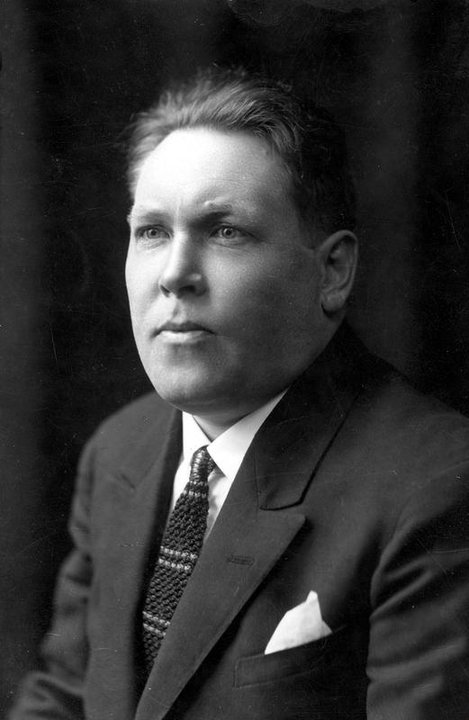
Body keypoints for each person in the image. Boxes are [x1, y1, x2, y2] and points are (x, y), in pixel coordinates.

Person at [10, 67, 469, 720]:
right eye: (152, 232)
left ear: (332, 271)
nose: (174, 275)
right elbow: (63, 696)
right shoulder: (120, 449)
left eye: (225, 231)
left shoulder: (436, 482)